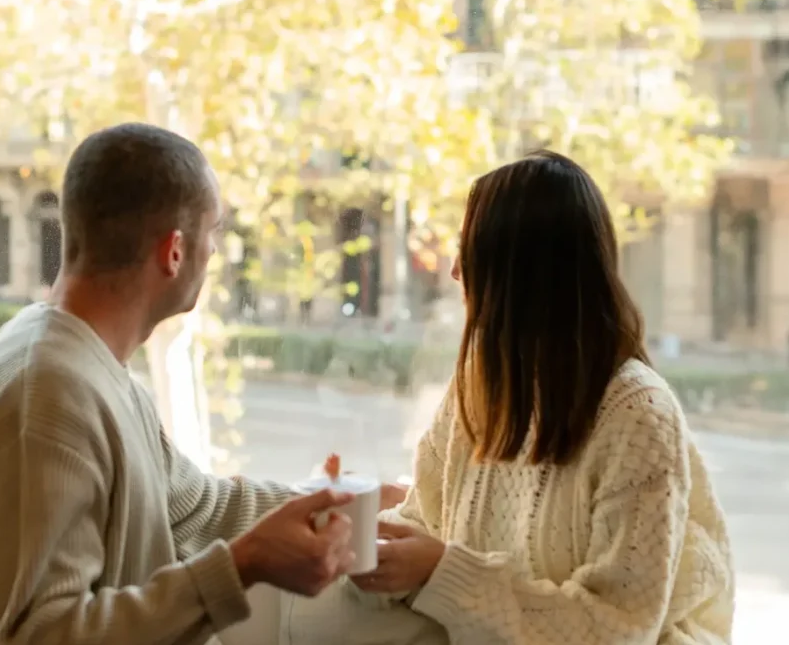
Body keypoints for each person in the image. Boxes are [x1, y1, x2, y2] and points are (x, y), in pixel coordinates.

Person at [0, 123, 358, 645]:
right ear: (174, 251)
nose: (215, 251)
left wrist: (345, 503)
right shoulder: (44, 400)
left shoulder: (86, 364)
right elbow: (35, 636)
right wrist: (242, 565)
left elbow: (198, 506)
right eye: (213, 232)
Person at [288, 151, 735, 645]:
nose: (454, 270)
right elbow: (426, 518)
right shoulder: (481, 382)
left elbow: (618, 627)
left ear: (521, 271)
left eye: (470, 249)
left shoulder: (638, 414)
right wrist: (358, 545)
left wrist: (441, 572)